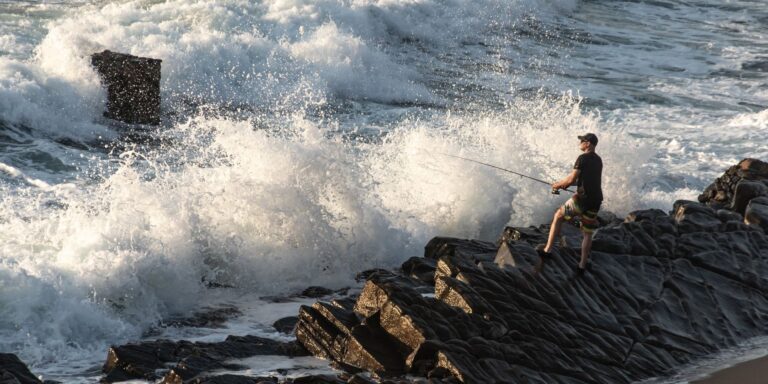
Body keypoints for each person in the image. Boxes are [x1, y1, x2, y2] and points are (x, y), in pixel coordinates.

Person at [538, 133, 603, 274]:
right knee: (587, 233)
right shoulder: (598, 160)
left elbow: (571, 180)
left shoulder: (582, 158)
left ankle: (547, 250)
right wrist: (563, 184)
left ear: (588, 144)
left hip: (582, 200)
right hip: (596, 200)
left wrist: (557, 185)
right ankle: (582, 265)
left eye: (582, 141)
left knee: (559, 216)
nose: (580, 143)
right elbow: (582, 181)